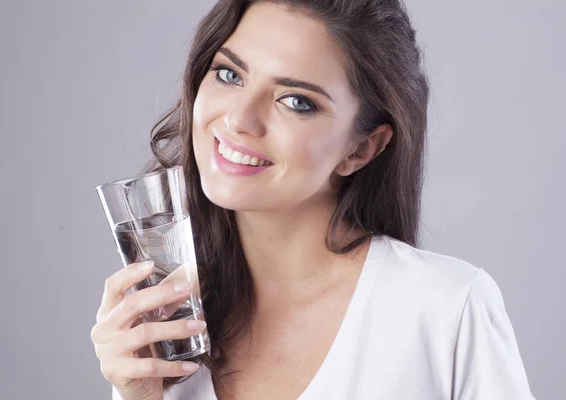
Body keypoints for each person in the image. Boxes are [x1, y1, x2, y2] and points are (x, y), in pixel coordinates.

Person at [91, 0, 535, 399]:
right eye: (229, 74)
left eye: (296, 101)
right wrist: (139, 397)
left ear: (361, 148)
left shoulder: (446, 310)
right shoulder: (164, 327)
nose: (239, 119)